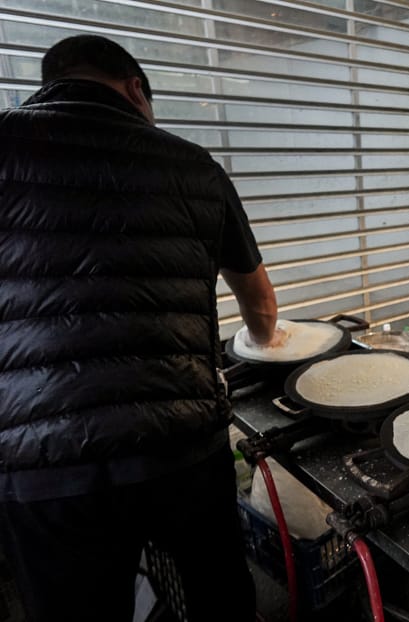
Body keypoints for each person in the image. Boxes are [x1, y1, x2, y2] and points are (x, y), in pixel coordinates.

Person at [0, 35, 284, 622]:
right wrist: (264, 346)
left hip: (45, 463)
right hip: (182, 445)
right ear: (135, 89)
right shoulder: (194, 164)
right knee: (221, 599)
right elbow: (259, 303)